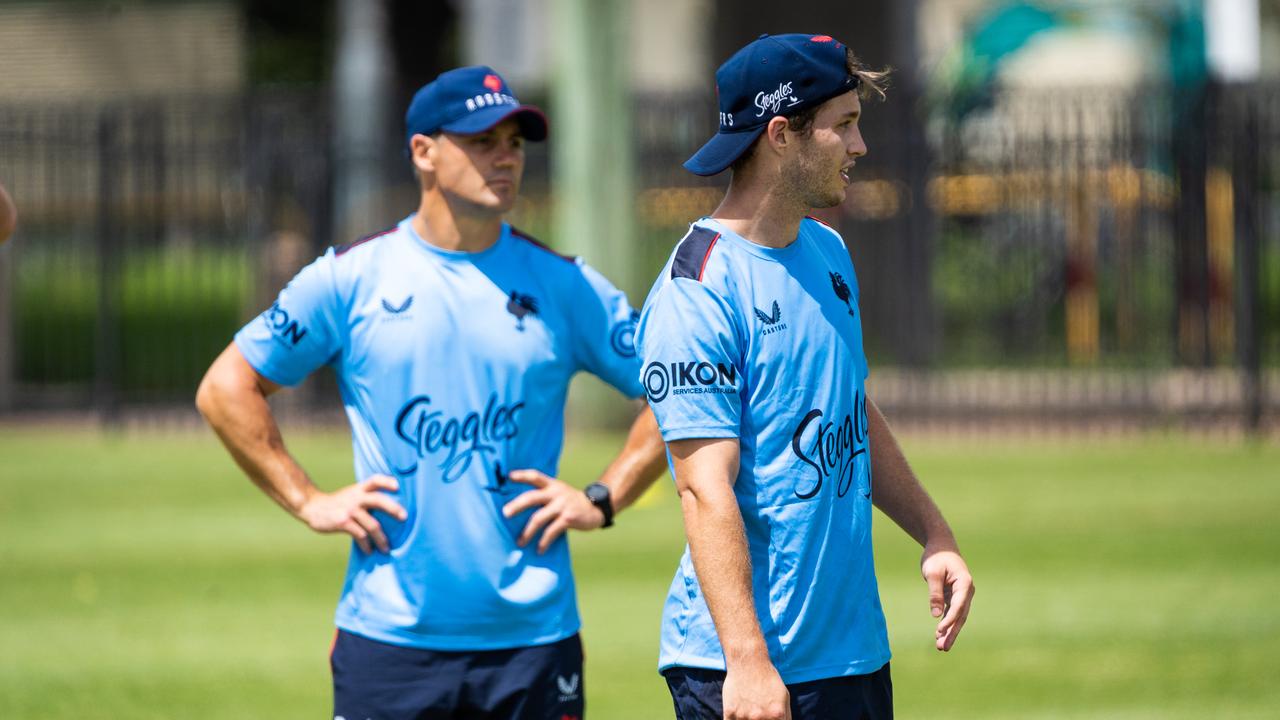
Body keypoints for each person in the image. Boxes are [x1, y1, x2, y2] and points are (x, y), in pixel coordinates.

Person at [196, 65, 667, 720]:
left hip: (533, 645)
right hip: (388, 642)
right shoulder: (348, 279)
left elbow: (681, 395)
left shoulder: (566, 286)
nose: (505, 157)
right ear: (423, 151)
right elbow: (226, 388)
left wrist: (603, 497)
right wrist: (307, 500)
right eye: (483, 141)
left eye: (515, 143)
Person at [635, 34, 975, 720]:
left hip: (851, 656)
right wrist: (748, 662)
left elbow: (850, 407)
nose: (861, 147)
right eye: (844, 125)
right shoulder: (698, 287)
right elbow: (703, 490)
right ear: (781, 135)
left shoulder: (828, 250)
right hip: (748, 671)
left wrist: (935, 534)